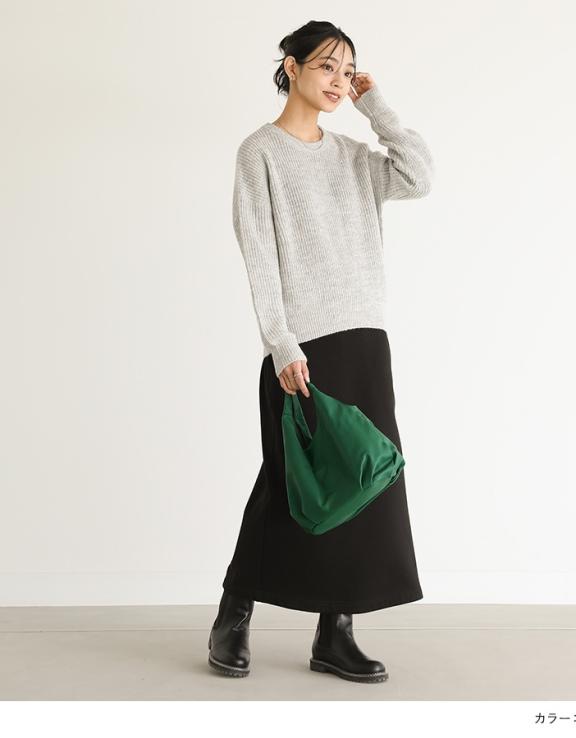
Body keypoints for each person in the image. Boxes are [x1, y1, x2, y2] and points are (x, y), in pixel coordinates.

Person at [208, 20, 434, 684]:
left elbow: (419, 176)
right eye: (327, 66)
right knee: (290, 482)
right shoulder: (261, 152)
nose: (339, 80)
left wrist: (375, 105)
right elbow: (257, 250)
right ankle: (234, 612)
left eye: (348, 70)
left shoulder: (355, 157)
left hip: (364, 337)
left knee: (362, 481)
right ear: (292, 66)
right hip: (302, 343)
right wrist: (280, 341)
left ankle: (335, 634)